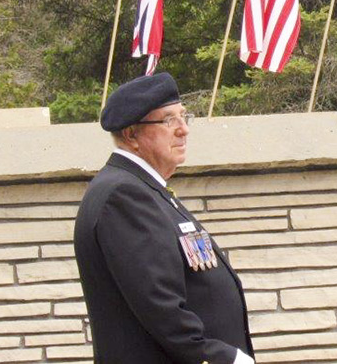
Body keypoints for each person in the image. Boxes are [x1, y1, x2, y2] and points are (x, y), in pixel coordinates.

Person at [74, 73, 254, 364]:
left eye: (184, 117)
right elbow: (158, 304)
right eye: (168, 120)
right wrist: (222, 357)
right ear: (132, 134)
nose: (183, 130)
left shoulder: (145, 188)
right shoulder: (124, 196)